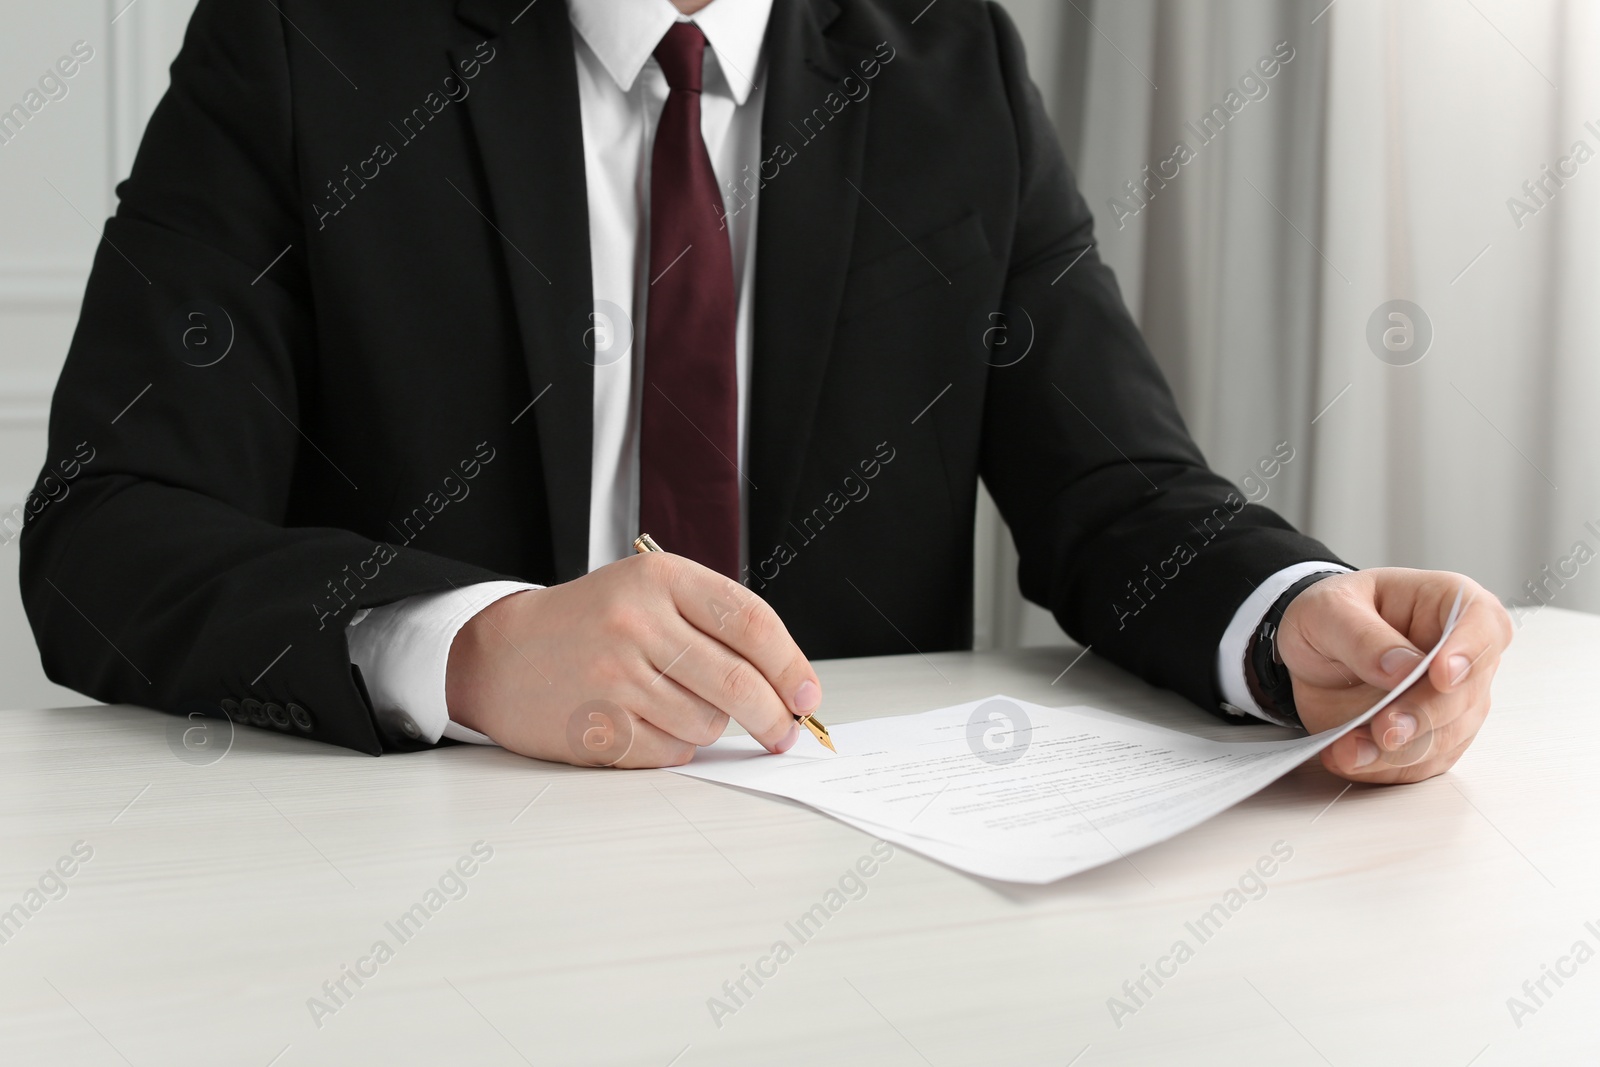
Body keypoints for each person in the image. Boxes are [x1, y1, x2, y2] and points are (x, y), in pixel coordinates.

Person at [20, 0, 1510, 783]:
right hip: (420, 869)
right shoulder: (303, 41)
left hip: (846, 875)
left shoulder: (952, 58)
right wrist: (472, 652)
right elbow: (105, 532)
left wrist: (1292, 616)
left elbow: (1116, 489)